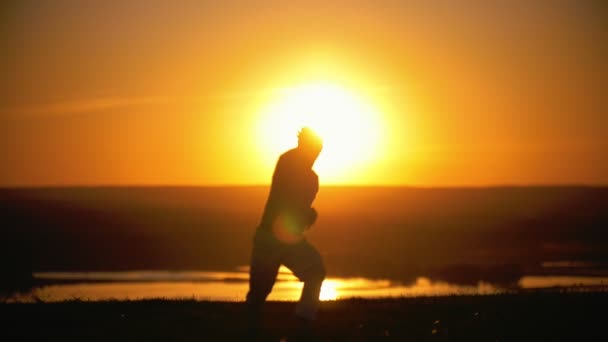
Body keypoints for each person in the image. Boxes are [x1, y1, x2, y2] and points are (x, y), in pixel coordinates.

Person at [246, 127, 326, 337]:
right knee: (259, 293)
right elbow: (291, 199)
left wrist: (306, 214)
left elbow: (296, 208)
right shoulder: (290, 163)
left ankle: (303, 321)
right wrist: (307, 213)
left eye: (318, 150)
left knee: (315, 270)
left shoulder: (309, 177)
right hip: (270, 238)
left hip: (286, 239)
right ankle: (251, 330)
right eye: (314, 149)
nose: (316, 154)